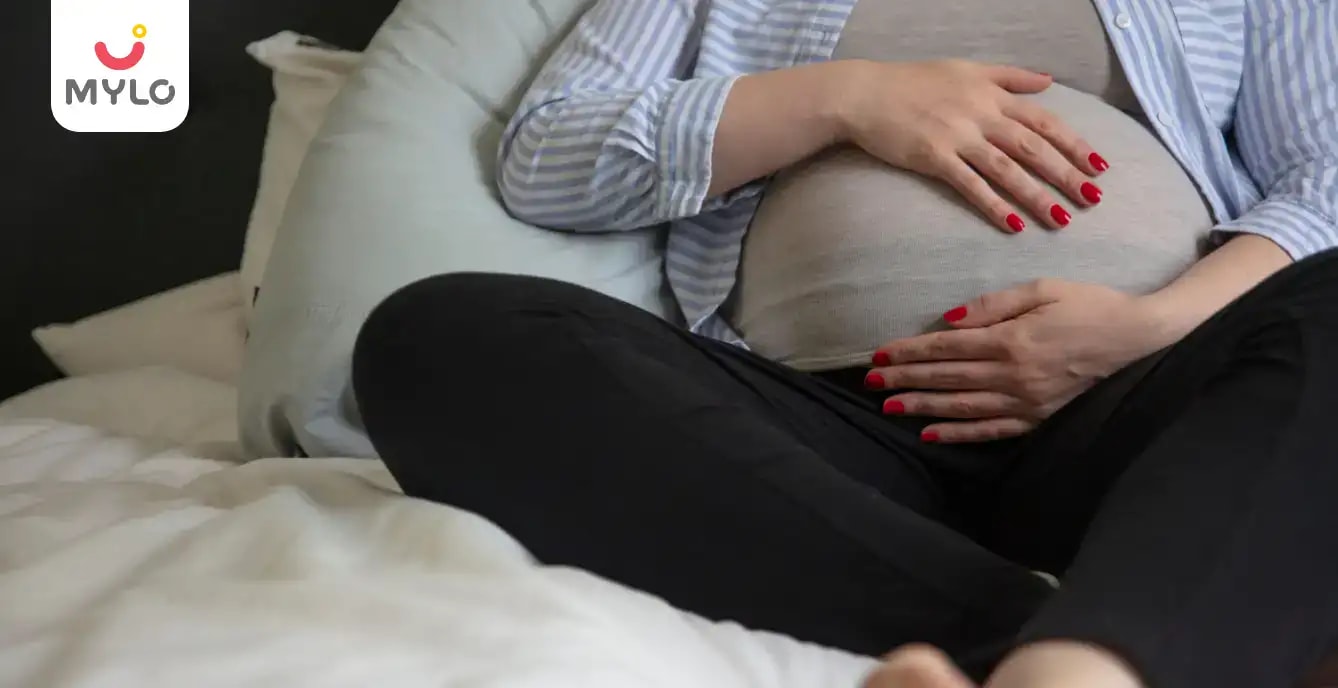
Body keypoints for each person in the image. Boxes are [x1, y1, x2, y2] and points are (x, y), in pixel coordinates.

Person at [350, 1, 1338, 686]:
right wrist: (845, 98)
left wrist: (1145, 327)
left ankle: (1071, 668)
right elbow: (551, 154)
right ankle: (1046, 638)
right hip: (824, 433)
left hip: (1145, 402)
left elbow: (1328, 178)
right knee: (437, 337)